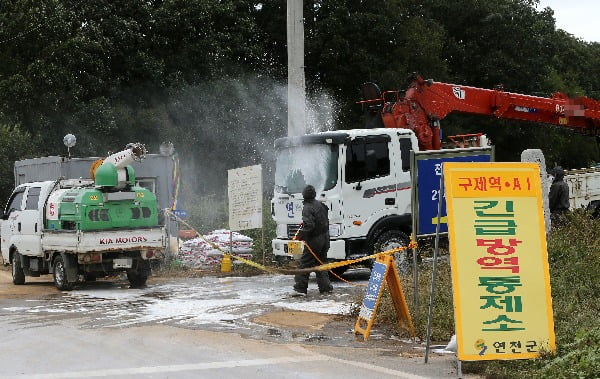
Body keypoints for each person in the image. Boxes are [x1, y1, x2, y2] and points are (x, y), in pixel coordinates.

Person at [292, 185, 333, 296]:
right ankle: (326, 288)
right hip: (325, 238)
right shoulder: (321, 205)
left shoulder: (307, 207)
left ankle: (300, 289)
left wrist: (300, 235)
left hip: (315, 240)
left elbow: (309, 225)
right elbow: (322, 221)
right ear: (314, 194)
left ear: (304, 195)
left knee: (304, 264)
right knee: (321, 263)